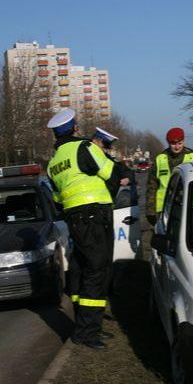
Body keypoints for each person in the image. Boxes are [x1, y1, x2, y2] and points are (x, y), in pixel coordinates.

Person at [46, 108, 115, 350]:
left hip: (75, 219)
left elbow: (56, 198)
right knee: (97, 271)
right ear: (75, 128)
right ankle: (87, 332)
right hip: (94, 216)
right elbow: (109, 172)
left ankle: (86, 327)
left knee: (81, 267)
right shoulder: (84, 147)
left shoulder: (53, 163)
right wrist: (103, 151)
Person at [146, 127, 193, 225]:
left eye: (180, 143)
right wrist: (150, 211)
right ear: (168, 143)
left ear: (184, 141)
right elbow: (151, 187)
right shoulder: (160, 159)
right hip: (164, 209)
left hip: (189, 207)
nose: (177, 147)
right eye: (173, 144)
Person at [91, 127, 132, 203]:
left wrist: (128, 178)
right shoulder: (85, 156)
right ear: (94, 141)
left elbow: (122, 169)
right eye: (103, 147)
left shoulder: (106, 158)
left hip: (106, 201)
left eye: (106, 148)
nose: (104, 150)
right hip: (90, 201)